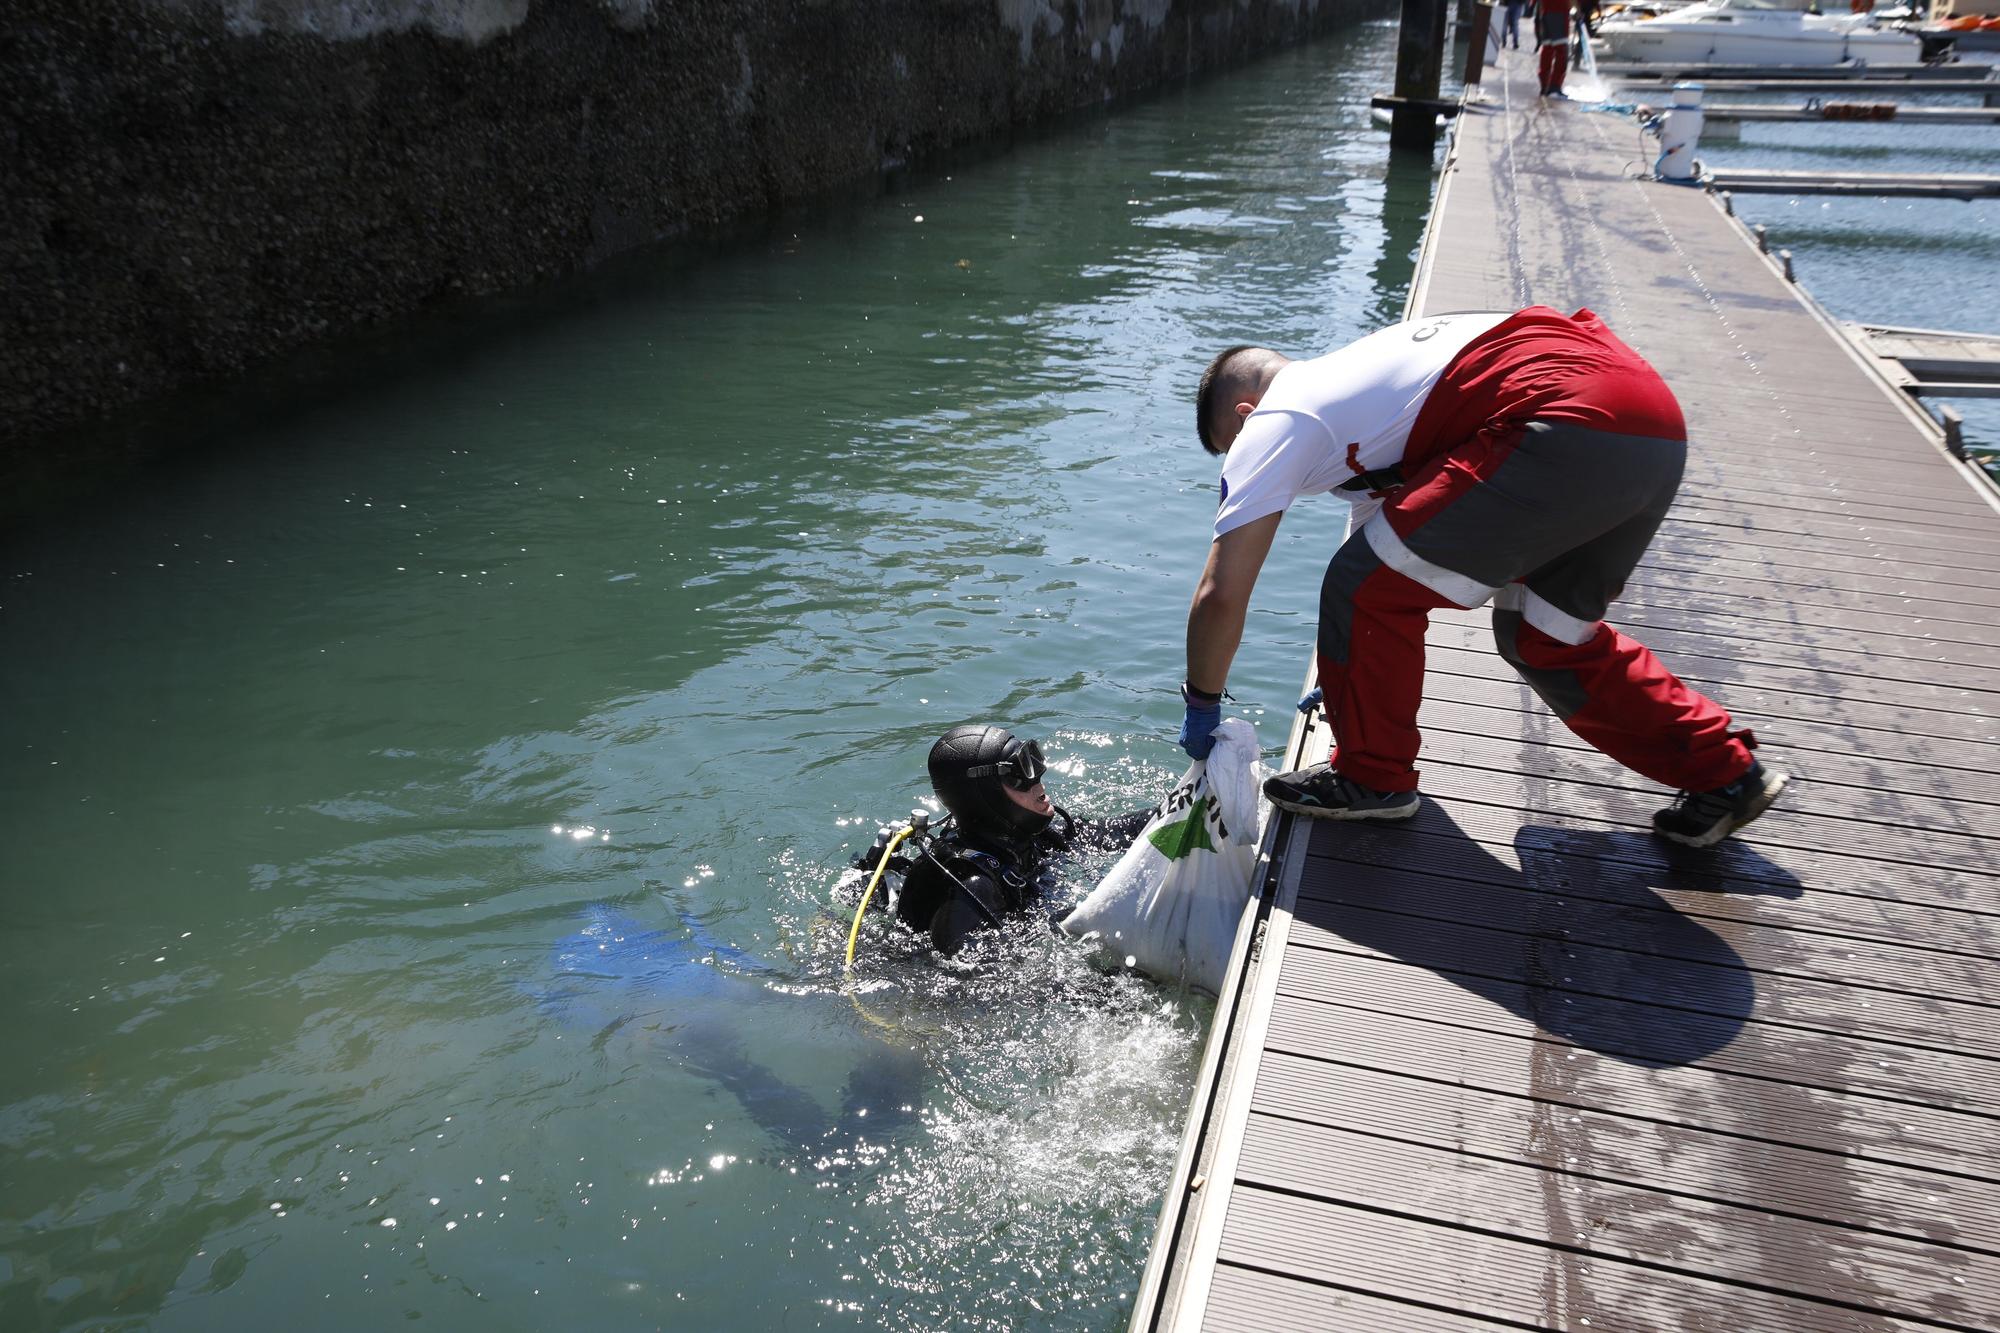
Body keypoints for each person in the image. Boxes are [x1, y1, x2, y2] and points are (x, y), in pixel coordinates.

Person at [1177, 306, 1789, 849]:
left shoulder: (1277, 420)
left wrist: (1202, 706)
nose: (1239, 458)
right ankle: (1725, 773)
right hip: (1648, 422)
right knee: (1544, 636)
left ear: (1245, 413)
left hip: (1559, 419)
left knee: (1359, 587)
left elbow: (1223, 591)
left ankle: (1372, 778)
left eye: (1229, 446)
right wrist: (1348, 679)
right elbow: (1385, 545)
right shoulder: (1363, 384)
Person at [855, 724, 1148, 954]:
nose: (1039, 784)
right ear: (985, 796)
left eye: (1033, 761)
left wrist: (1187, 804)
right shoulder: (972, 889)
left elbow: (1118, 831)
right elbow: (978, 987)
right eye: (1020, 775)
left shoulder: (1028, 836)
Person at [1534, 0, 1572, 97]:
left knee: (1547, 49)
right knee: (1561, 50)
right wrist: (1578, 10)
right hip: (1559, 10)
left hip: (1545, 11)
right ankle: (1554, 86)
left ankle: (1545, 85)